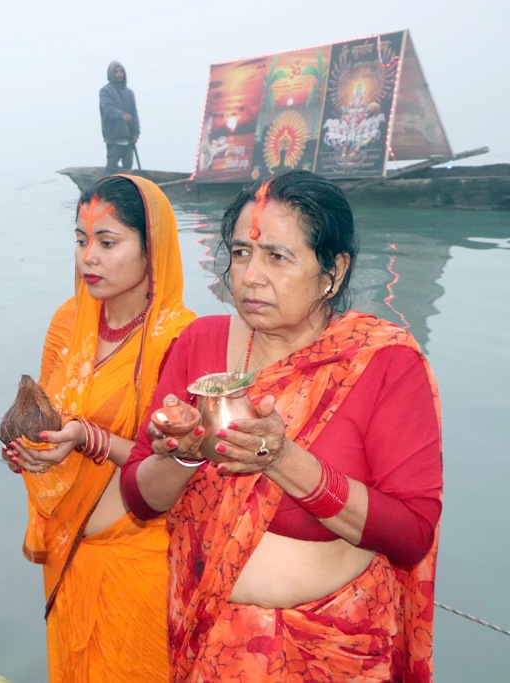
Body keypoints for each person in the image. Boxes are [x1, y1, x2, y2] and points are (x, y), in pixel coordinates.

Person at [121, 170, 442, 681]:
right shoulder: (198, 345)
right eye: (241, 253)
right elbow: (139, 499)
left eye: (277, 256)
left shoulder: (382, 363)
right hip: (209, 642)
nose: (249, 276)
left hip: (333, 648)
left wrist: (286, 460)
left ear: (333, 271)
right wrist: (182, 454)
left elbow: (412, 534)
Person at [3, 175, 195, 681]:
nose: (88, 257)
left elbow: (178, 464)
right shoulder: (68, 321)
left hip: (143, 555)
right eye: (81, 240)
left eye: (107, 243)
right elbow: (49, 417)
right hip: (70, 547)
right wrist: (32, 452)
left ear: (152, 251)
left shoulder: (181, 338)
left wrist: (88, 438)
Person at [99, 62, 140, 175]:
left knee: (128, 164)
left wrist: (136, 133)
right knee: (112, 165)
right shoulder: (105, 91)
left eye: (121, 71)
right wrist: (121, 115)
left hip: (128, 136)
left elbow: (134, 114)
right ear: (111, 74)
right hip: (113, 136)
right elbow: (108, 108)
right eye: (116, 72)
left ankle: (127, 188)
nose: (119, 74)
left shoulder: (129, 93)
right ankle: (107, 187)